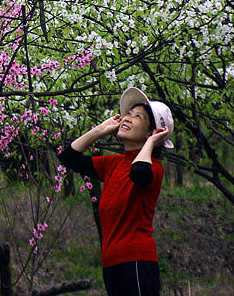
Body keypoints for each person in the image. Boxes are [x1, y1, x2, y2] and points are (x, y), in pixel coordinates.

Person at [58, 87, 174, 296]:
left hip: (137, 262)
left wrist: (150, 143)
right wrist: (100, 130)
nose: (127, 118)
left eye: (137, 116)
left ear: (152, 133)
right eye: (128, 114)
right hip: (112, 263)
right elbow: (68, 158)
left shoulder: (154, 169)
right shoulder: (113, 163)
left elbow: (139, 172)